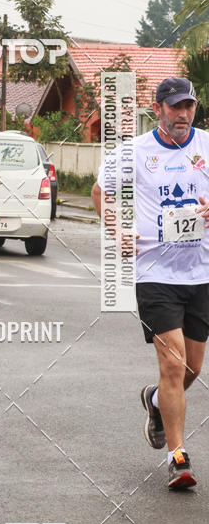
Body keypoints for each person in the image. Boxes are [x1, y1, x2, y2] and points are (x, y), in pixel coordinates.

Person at [92, 77, 209, 489]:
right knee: (173, 364)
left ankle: (156, 401)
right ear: (157, 108)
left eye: (189, 106)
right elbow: (100, 192)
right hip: (155, 273)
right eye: (175, 106)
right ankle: (178, 458)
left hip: (201, 272)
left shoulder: (206, 146)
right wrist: (117, 230)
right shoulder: (134, 152)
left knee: (192, 367)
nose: (183, 114)